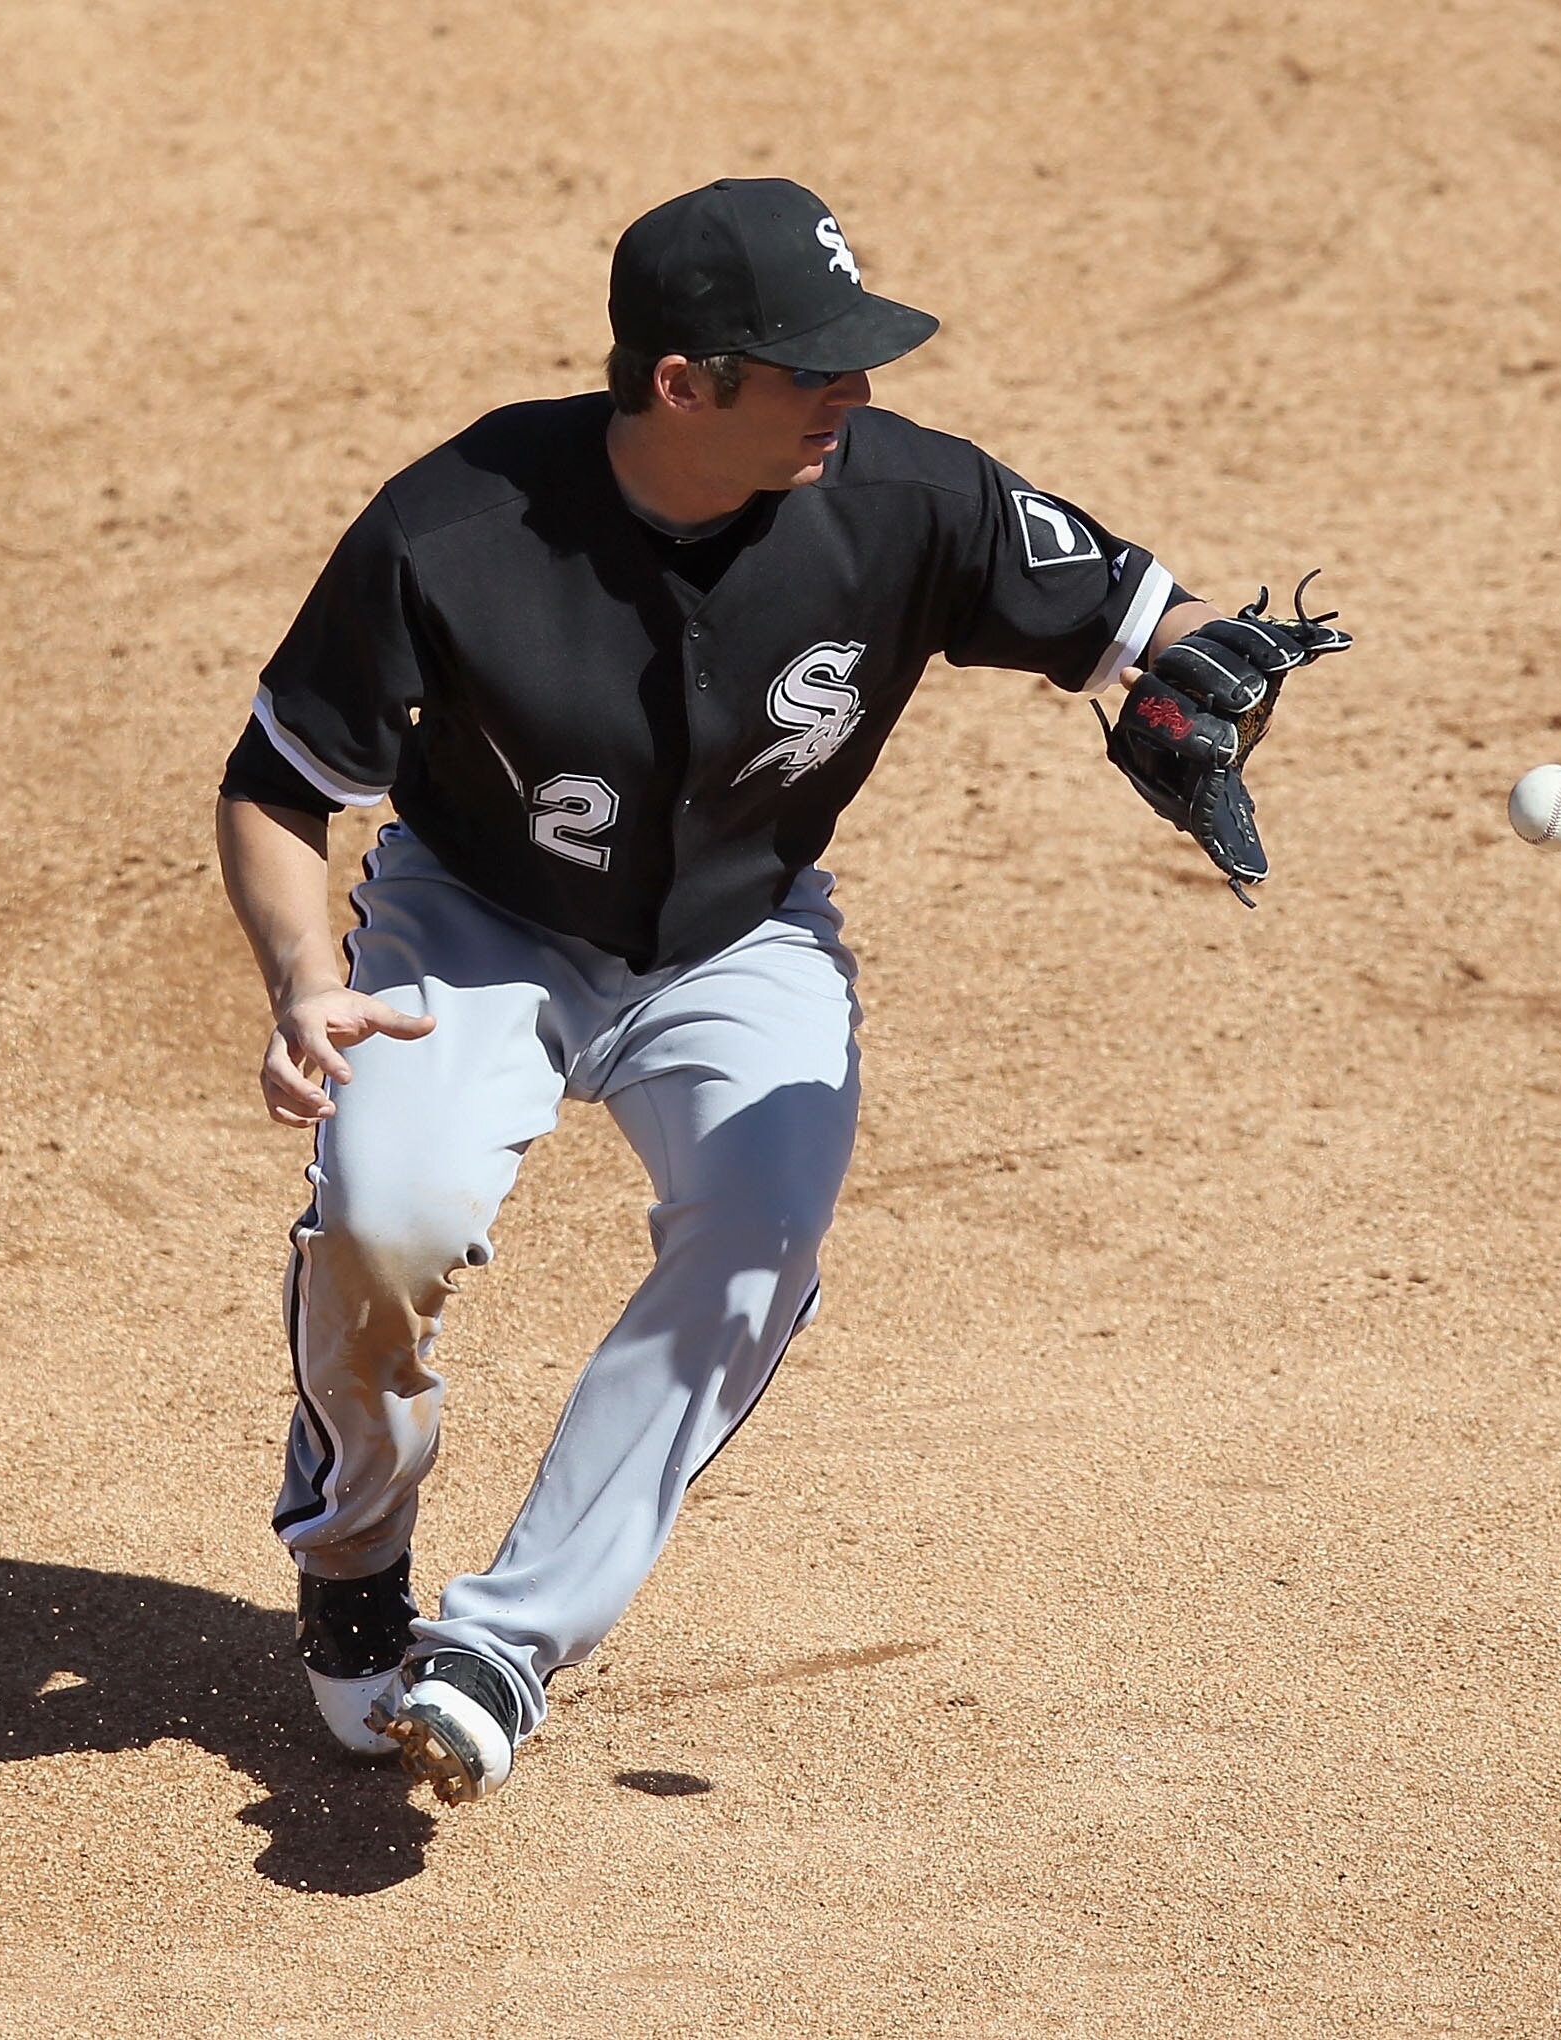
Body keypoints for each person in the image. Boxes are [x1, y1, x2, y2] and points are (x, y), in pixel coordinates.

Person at [213, 177, 1344, 1805]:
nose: (855, 393)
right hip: (478, 923)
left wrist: (1189, 674)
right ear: (682, 383)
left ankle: (501, 1649)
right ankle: (355, 1559)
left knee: (760, 1234)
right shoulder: (450, 530)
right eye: (811, 366)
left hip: (742, 936)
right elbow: (273, 783)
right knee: (386, 1218)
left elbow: (1141, 624)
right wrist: (307, 976)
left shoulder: (907, 496)